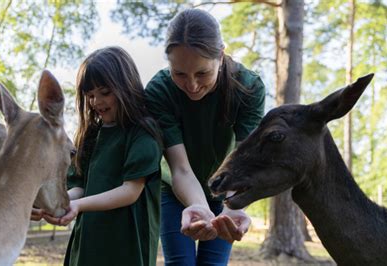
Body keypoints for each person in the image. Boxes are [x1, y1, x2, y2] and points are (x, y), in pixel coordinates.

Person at [144, 8, 266, 265]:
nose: (192, 85)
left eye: (202, 73)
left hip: (226, 189)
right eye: (179, 73)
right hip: (175, 190)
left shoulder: (249, 87)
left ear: (220, 56)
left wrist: (233, 208)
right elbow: (180, 168)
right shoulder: (159, 91)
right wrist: (198, 206)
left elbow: (243, 163)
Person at [43, 46, 163, 266]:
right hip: (90, 240)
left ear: (126, 86)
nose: (96, 102)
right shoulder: (91, 135)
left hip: (127, 245)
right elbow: (80, 186)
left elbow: (130, 191)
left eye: (105, 92)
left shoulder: (142, 133)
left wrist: (79, 206)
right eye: (90, 95)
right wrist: (56, 203)